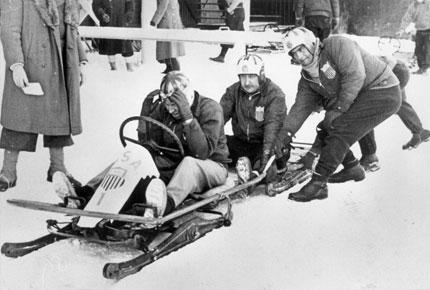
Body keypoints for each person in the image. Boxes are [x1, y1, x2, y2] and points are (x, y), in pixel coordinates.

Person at [54, 72, 230, 218]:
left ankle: (165, 203)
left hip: (212, 165)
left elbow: (202, 153)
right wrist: (146, 111)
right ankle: (85, 193)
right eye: (167, 104)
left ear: (186, 98)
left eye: (175, 105)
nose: (170, 109)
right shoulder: (164, 109)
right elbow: (147, 144)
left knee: (190, 163)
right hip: (174, 160)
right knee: (134, 157)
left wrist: (188, 118)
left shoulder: (210, 108)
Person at [278, 27, 401, 202]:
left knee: (339, 128)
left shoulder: (337, 45)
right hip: (362, 95)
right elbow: (300, 107)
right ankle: (352, 167)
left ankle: (318, 183)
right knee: (328, 125)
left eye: (301, 49)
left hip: (383, 89)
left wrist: (338, 109)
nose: (299, 56)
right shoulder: (307, 77)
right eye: (293, 53)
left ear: (311, 43)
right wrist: (285, 134)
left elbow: (355, 75)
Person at [0, 0, 87, 192]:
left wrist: (80, 61)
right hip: (30, 64)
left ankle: (58, 168)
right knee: (19, 120)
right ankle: (8, 172)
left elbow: (72, 28)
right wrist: (16, 65)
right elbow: (9, 28)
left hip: (62, 62)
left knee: (59, 117)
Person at [220, 54, 288, 183]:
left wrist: (266, 156)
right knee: (219, 143)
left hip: (266, 144)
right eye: (243, 77)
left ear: (261, 75)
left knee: (267, 163)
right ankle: (240, 166)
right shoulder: (233, 91)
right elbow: (218, 118)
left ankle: (253, 177)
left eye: (251, 76)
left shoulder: (275, 95)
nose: (247, 82)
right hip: (242, 143)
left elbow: (272, 129)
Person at [92, 0, 135, 72]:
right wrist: (102, 14)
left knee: (125, 43)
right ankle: (113, 67)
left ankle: (129, 66)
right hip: (107, 20)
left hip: (122, 20)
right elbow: (96, 5)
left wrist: (128, 16)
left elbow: (130, 3)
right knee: (109, 44)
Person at [150, 0, 186, 74]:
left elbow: (162, 6)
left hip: (168, 22)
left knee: (169, 49)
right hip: (171, 20)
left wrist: (154, 20)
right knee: (169, 49)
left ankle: (174, 70)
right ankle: (169, 67)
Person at [398, 0, 430, 75]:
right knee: (418, 50)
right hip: (419, 31)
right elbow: (407, 17)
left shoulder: (428, 3)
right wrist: (402, 29)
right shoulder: (414, 5)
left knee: (427, 50)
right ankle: (422, 68)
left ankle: (425, 68)